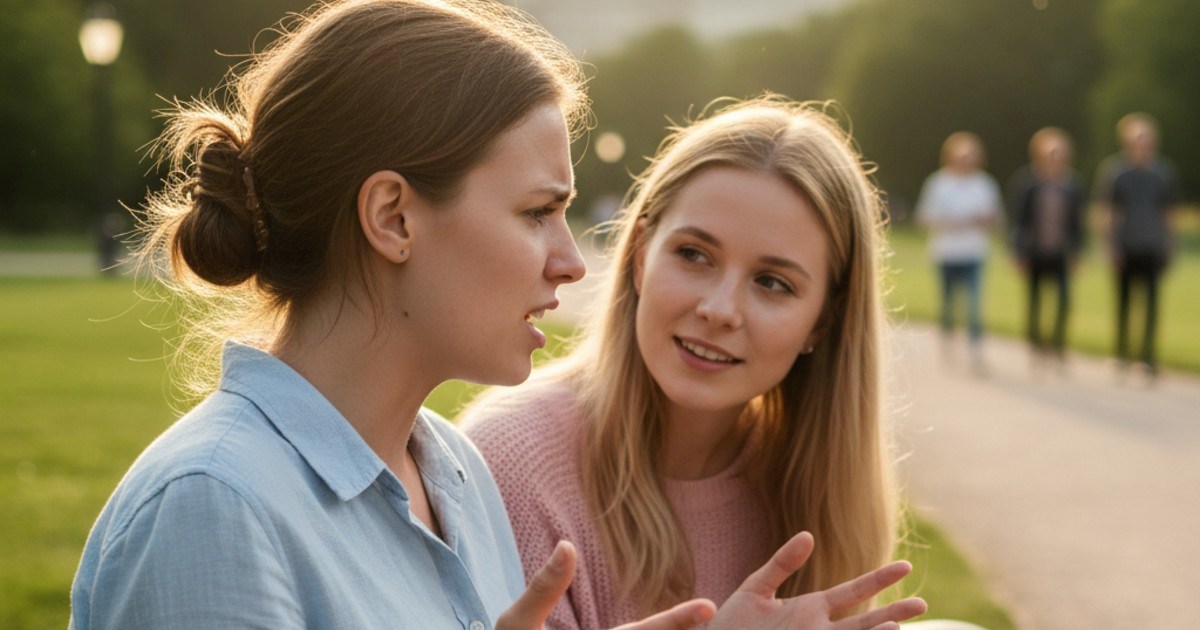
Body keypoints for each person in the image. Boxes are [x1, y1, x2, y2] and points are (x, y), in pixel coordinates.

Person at [69, 1, 721, 627]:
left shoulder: (457, 472)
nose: (571, 262)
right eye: (536, 213)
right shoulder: (211, 506)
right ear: (393, 217)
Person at [461, 98, 928, 629]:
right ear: (640, 255)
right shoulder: (510, 461)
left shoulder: (812, 491)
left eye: (772, 283)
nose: (719, 310)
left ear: (822, 323)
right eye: (693, 254)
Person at [1093, 112, 1180, 379]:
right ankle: (1120, 355)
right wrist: (1109, 246)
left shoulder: (1163, 172)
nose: (1142, 143)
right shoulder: (1117, 172)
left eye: (1146, 138)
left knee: (1152, 305)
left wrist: (1171, 245)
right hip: (1126, 246)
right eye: (1137, 138)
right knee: (1124, 304)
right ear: (1127, 141)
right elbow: (1108, 213)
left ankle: (1147, 358)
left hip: (1152, 246)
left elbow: (1169, 214)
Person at [914, 131, 1003, 375]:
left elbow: (996, 219)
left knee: (974, 304)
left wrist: (984, 220)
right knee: (947, 304)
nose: (966, 161)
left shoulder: (984, 184)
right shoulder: (938, 183)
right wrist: (949, 221)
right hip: (946, 252)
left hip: (973, 252)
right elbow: (923, 218)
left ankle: (975, 350)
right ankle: (947, 346)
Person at [1007, 127, 1087, 370]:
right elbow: (1018, 221)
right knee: (1035, 301)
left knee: (1063, 300)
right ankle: (1035, 345)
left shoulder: (1072, 185)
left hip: (1061, 252)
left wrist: (1078, 252)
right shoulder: (1028, 183)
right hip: (1035, 251)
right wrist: (1017, 251)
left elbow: (1078, 223)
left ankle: (1058, 345)